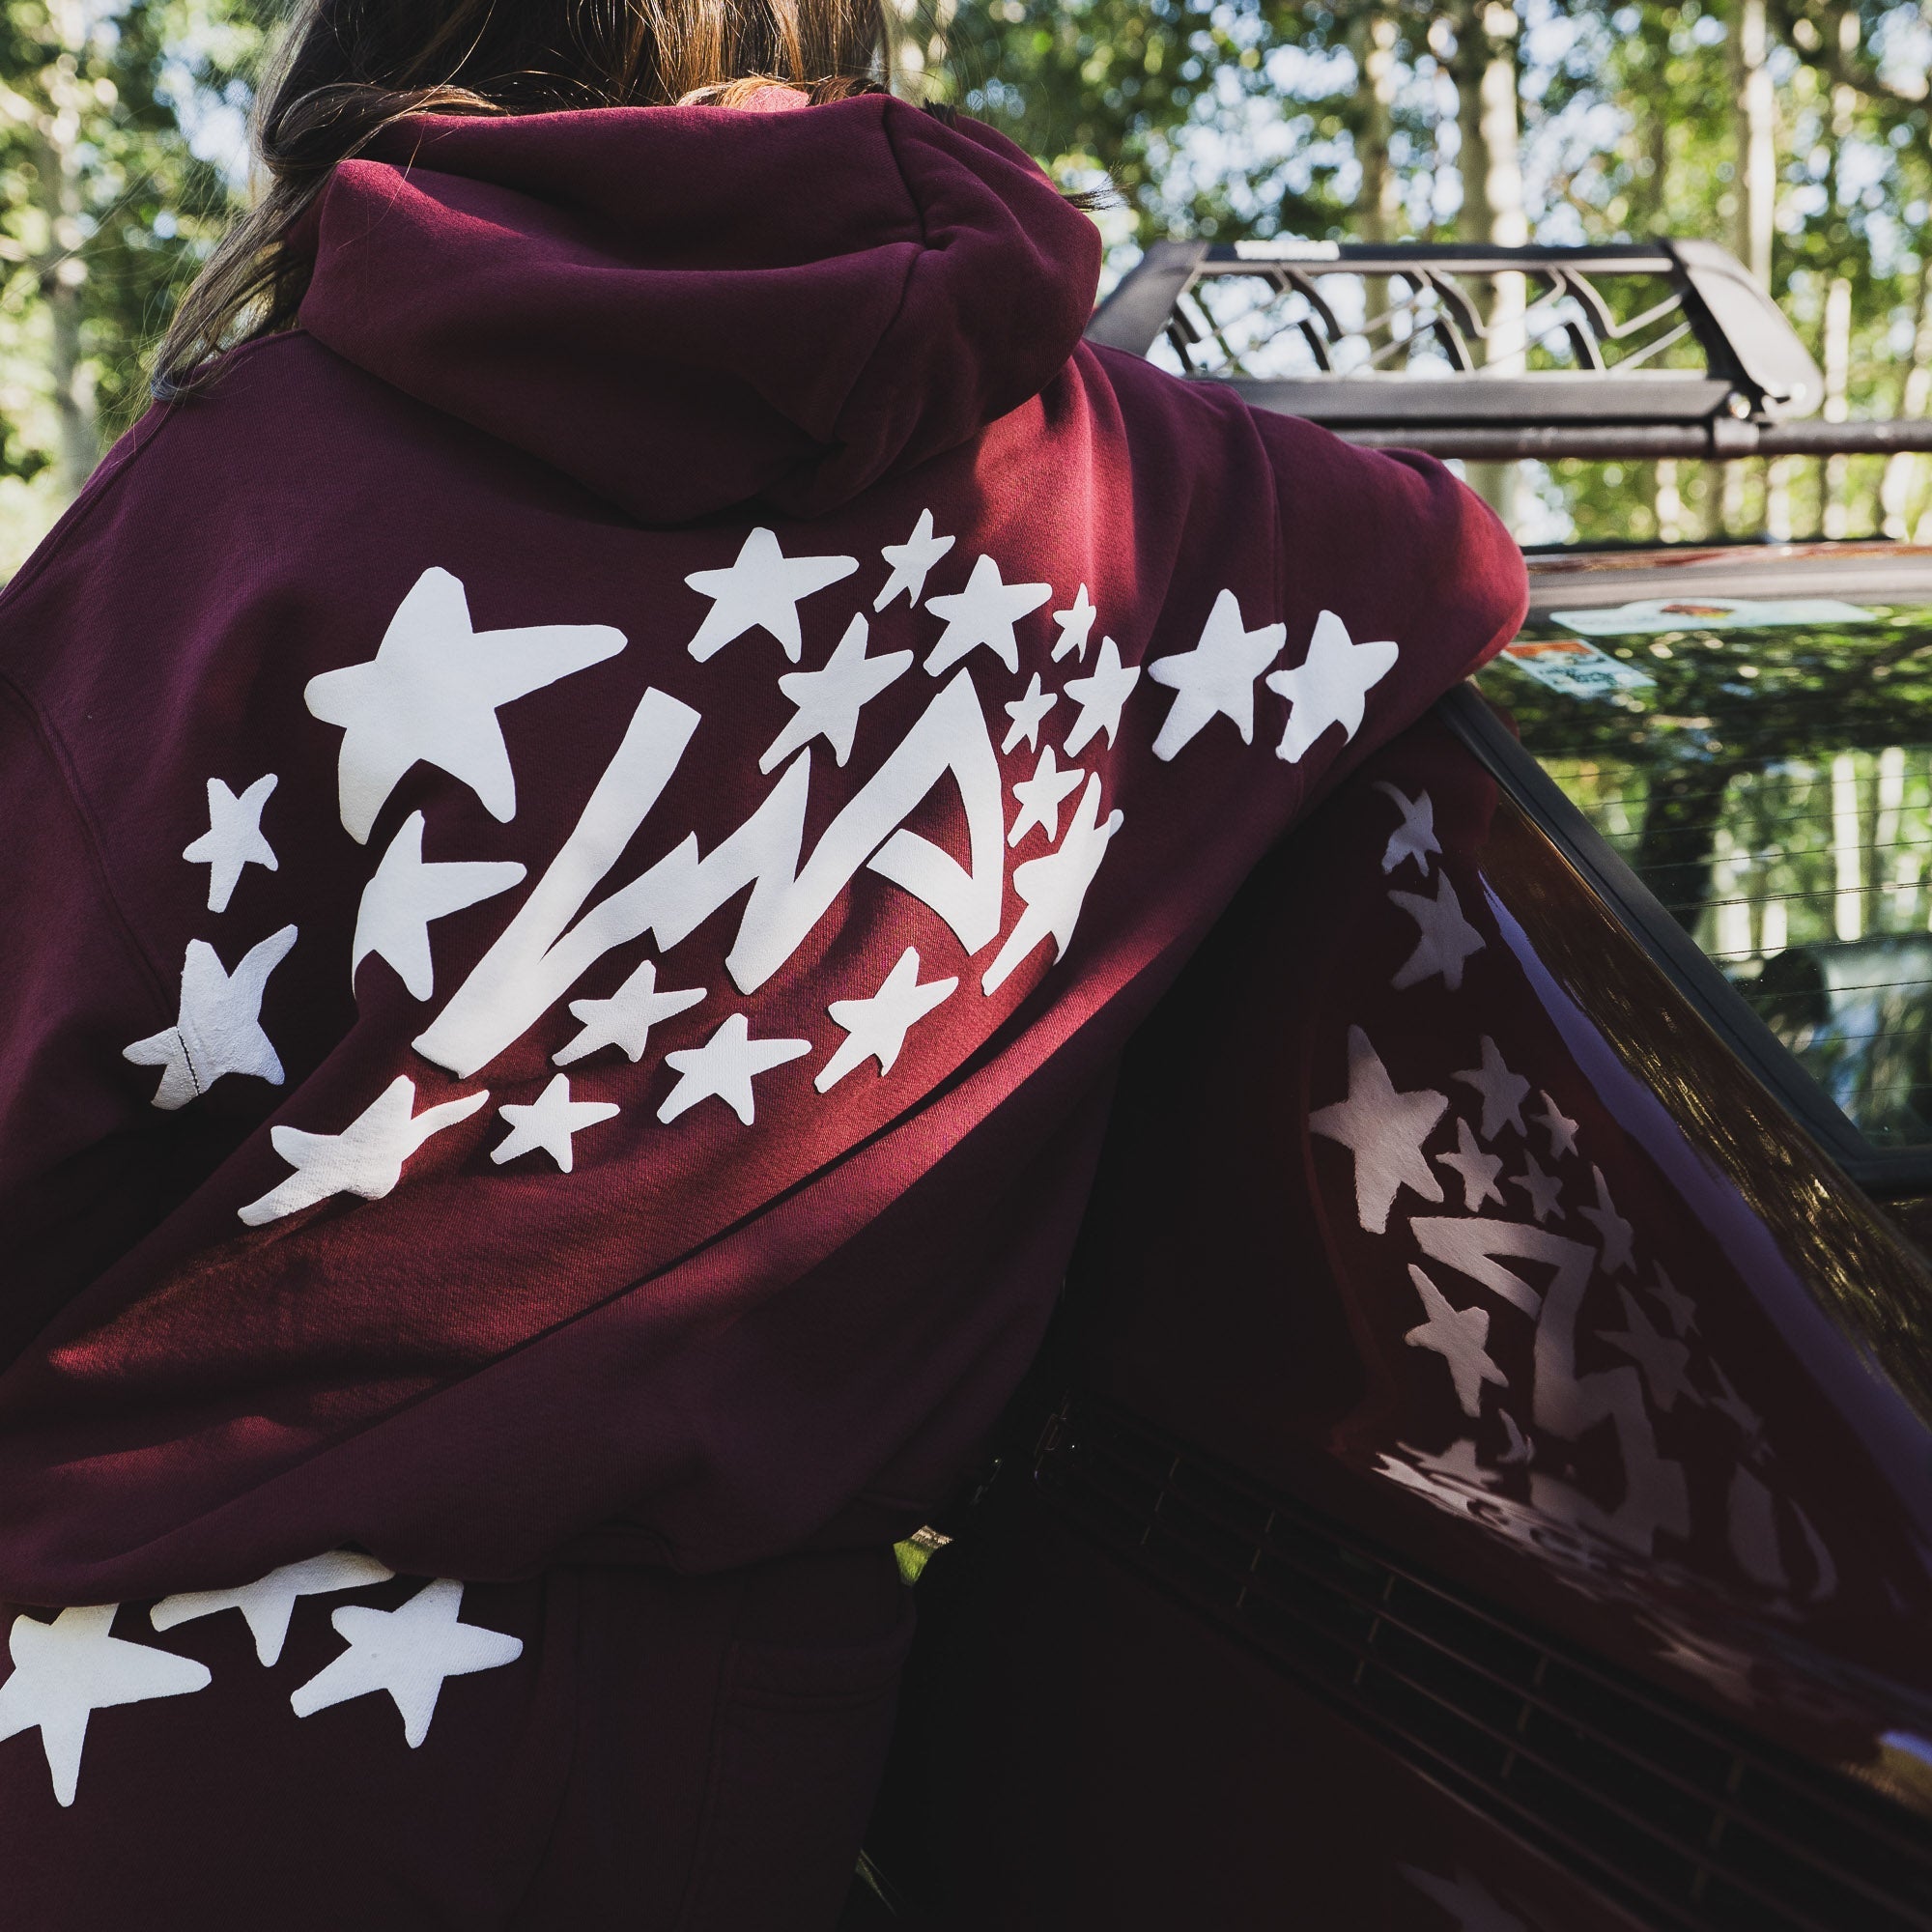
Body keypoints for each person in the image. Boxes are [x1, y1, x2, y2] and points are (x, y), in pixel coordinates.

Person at [0, 1, 1527, 1923]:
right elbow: (1469, 581)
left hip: (186, 1733)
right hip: (742, 1765)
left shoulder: (249, 487)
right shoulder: (1183, 511)